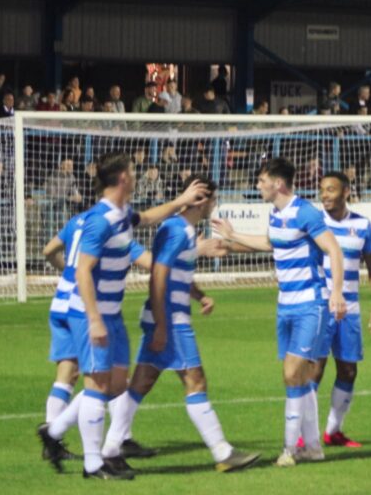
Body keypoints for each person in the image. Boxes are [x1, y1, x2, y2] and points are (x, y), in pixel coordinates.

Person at [37, 153, 212, 479]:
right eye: (132, 171)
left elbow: (146, 217)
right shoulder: (100, 220)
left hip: (112, 313)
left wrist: (181, 200)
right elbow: (83, 272)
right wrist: (93, 318)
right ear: (122, 179)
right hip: (91, 313)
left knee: (116, 384)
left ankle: (54, 430)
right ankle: (94, 464)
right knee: (97, 383)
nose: (135, 175)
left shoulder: (120, 214)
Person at [100, 176, 261, 473]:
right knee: (195, 382)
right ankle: (223, 452)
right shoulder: (177, 230)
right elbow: (159, 275)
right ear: (202, 200)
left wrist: (199, 296)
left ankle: (110, 449)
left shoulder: (181, 229)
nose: (214, 204)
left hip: (163, 317)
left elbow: (176, 274)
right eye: (212, 199)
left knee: (140, 384)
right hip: (171, 321)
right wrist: (163, 325)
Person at [211, 158, 346, 467]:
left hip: (311, 305)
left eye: (261, 181)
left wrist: (336, 292)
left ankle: (290, 449)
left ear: (278, 184)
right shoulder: (275, 214)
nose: (257, 185)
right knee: (298, 377)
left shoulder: (306, 212)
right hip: (285, 305)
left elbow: (333, 250)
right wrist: (232, 239)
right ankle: (312, 447)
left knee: (290, 374)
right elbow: (271, 244)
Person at [38, 220, 152, 464]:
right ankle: (111, 442)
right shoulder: (109, 230)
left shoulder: (77, 222)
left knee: (68, 373)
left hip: (61, 301)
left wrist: (67, 270)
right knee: (106, 376)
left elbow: (48, 250)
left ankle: (53, 441)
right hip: (83, 306)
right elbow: (149, 263)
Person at [304, 172, 371, 449]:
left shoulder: (362, 225)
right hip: (320, 306)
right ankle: (305, 434)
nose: (324, 195)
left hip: (349, 308)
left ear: (346, 192)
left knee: (348, 370)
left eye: (330, 189)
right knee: (315, 369)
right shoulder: (315, 224)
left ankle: (333, 431)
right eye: (322, 190)